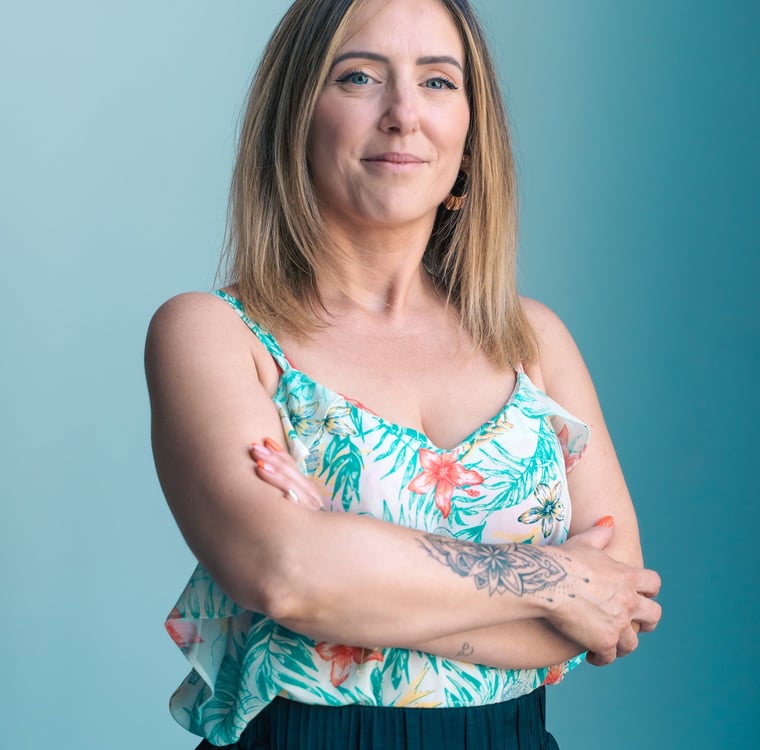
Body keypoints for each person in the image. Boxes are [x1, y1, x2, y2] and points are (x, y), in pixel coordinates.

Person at [145, 0, 662, 747]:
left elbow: (615, 611)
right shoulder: (213, 333)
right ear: (296, 115)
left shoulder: (534, 340)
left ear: (472, 136)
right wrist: (552, 580)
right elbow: (289, 576)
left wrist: (349, 564)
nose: (403, 114)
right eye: (359, 77)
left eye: (439, 82)